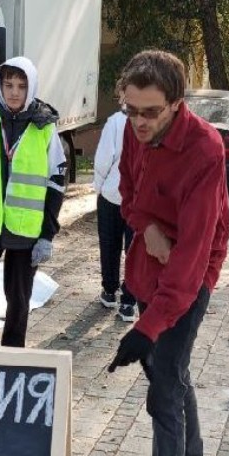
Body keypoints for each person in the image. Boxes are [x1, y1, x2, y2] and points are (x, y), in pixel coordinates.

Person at [105, 49, 229, 456]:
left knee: (163, 391)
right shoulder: (134, 133)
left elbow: (191, 260)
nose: (137, 122)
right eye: (130, 109)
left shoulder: (205, 149)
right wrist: (146, 226)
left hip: (189, 274)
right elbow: (126, 193)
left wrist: (146, 329)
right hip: (151, 263)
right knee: (172, 375)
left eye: (149, 112)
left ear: (177, 105)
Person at [0, 57, 66, 348]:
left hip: (26, 232)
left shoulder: (44, 127)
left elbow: (55, 183)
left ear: (31, 87)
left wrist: (47, 235)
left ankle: (12, 357)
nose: (14, 92)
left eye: (21, 86)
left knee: (19, 302)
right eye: (8, 85)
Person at [93, 106, 137, 322]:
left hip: (112, 192)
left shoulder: (115, 122)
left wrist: (99, 187)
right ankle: (129, 301)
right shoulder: (154, 121)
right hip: (138, 198)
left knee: (109, 243)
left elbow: (103, 159)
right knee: (134, 250)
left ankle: (110, 291)